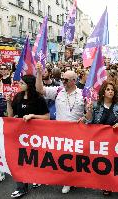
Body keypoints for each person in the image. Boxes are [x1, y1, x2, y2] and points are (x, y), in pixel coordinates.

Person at [35, 62, 85, 194]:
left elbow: (90, 112)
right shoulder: (58, 90)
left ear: (74, 81)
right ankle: (67, 181)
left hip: (77, 131)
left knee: (77, 158)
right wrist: (39, 73)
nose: (63, 81)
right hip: (60, 132)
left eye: (66, 80)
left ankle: (77, 178)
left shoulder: (83, 93)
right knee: (64, 157)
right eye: (62, 78)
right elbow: (40, 89)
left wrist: (85, 117)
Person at [6, 75, 50, 198]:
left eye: (22, 82)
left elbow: (47, 117)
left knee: (33, 158)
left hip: (35, 136)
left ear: (29, 84)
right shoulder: (18, 96)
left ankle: (35, 177)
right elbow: (10, 116)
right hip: (20, 135)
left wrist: (33, 116)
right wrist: (9, 102)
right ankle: (21, 187)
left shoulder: (38, 98)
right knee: (20, 160)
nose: (19, 84)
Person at [81, 81, 118, 196]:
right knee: (102, 164)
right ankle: (105, 185)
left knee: (112, 164)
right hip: (99, 141)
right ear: (103, 92)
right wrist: (89, 110)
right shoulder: (95, 105)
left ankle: (112, 184)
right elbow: (89, 121)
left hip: (114, 140)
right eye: (108, 89)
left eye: (112, 90)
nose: (111, 92)